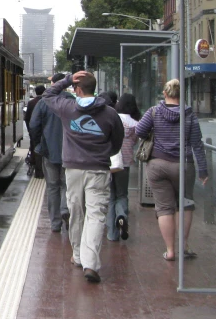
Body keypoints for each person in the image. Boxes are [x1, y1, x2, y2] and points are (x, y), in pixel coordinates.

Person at [42, 71, 124, 283]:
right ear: (94, 89)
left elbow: (48, 95)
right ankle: (91, 263)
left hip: (73, 170)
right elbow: (117, 142)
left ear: (78, 90)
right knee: (96, 215)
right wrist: (104, 152)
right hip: (98, 170)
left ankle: (78, 255)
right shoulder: (110, 113)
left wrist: (67, 79)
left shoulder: (68, 108)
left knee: (76, 211)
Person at [135, 79, 208, 261]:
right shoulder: (189, 115)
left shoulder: (154, 111)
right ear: (181, 95)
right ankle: (183, 246)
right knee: (185, 203)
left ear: (165, 93)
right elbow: (197, 144)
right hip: (184, 164)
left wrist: (153, 134)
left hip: (158, 164)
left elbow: (139, 131)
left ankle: (170, 251)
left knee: (164, 207)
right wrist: (203, 170)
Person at [29, 74, 71, 233]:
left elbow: (34, 125)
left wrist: (38, 143)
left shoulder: (44, 102)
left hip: (49, 150)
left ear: (53, 84)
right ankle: (65, 209)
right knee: (67, 185)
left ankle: (55, 223)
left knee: (52, 187)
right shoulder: (72, 100)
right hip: (71, 152)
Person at [107, 93, 141, 242]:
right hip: (125, 163)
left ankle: (111, 234)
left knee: (111, 197)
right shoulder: (135, 124)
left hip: (109, 162)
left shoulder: (111, 118)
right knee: (122, 194)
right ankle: (122, 215)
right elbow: (134, 142)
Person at [24, 85, 46, 178]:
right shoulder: (47, 102)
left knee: (35, 148)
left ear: (35, 92)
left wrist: (30, 131)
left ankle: (38, 172)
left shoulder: (31, 102)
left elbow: (27, 118)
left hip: (34, 131)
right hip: (45, 131)